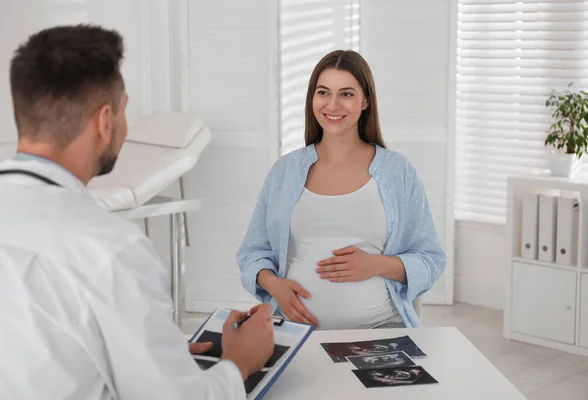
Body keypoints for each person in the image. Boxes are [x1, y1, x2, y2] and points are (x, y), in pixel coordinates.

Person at [0, 25, 274, 400]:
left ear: (18, 109)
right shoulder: (110, 248)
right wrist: (239, 364)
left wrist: (159, 355)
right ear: (105, 120)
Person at [237, 50, 446, 330]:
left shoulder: (397, 171)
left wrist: (375, 265)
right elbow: (252, 252)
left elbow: (430, 258)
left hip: (381, 328)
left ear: (366, 101)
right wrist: (274, 285)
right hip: (295, 330)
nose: (332, 104)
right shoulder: (285, 171)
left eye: (346, 94)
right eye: (323, 92)